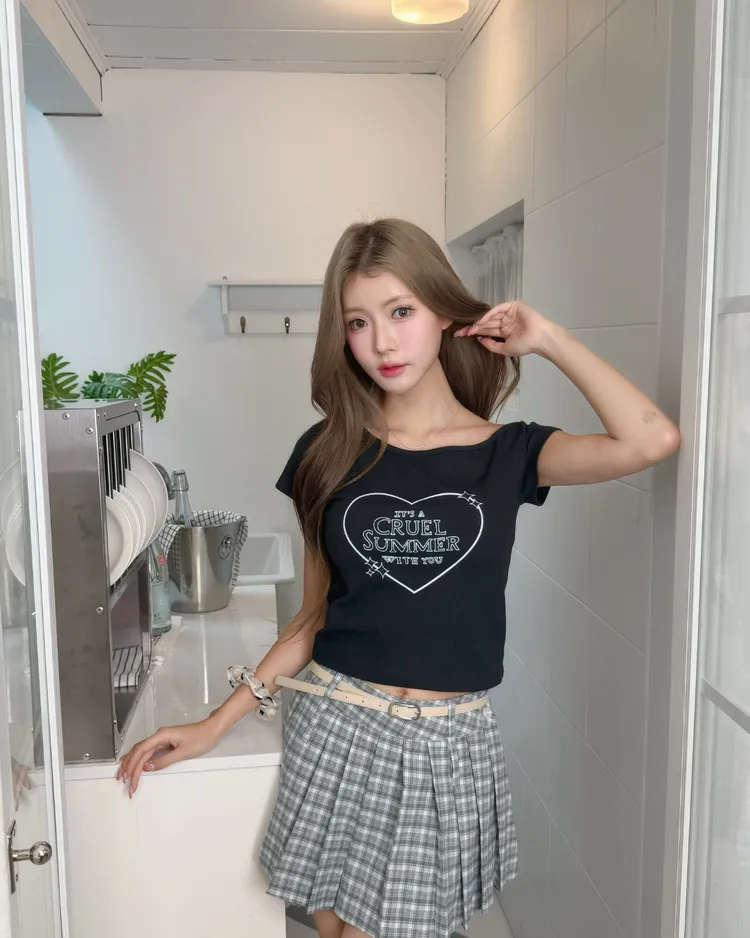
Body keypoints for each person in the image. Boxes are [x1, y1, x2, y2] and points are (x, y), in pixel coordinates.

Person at [117, 218, 680, 938]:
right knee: (331, 930)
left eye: (401, 311)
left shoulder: (508, 453)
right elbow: (315, 614)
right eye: (359, 322)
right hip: (337, 726)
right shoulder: (326, 452)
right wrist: (214, 724)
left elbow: (651, 438)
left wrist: (548, 339)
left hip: (444, 745)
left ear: (444, 312)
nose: (382, 342)